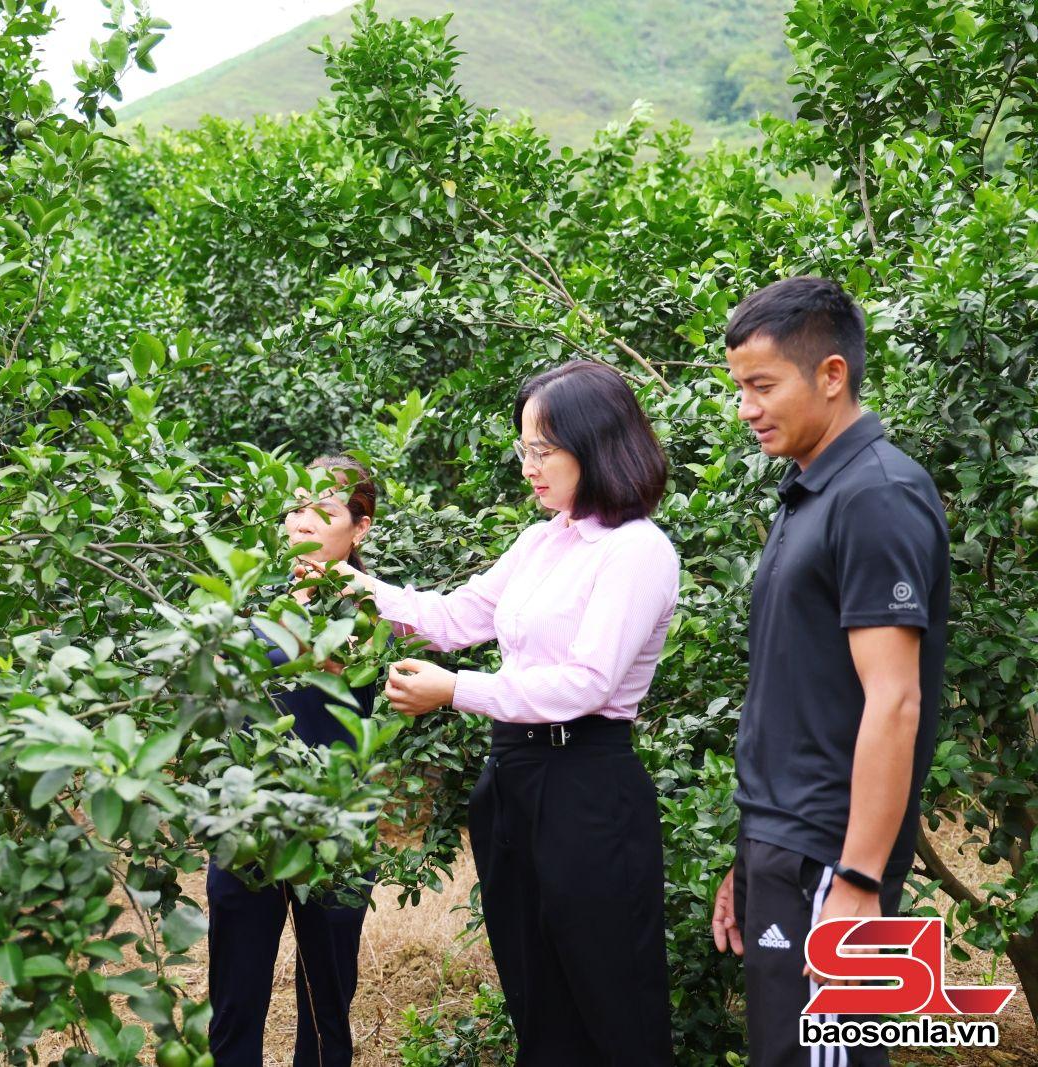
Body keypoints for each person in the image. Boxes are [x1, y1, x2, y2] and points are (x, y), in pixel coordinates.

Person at [305, 360, 679, 1065]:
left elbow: (586, 683)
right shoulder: (543, 540)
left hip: (586, 784)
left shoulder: (636, 551)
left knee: (612, 997)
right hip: (514, 777)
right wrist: (353, 584)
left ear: (597, 445)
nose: (529, 467)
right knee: (536, 999)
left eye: (543, 449)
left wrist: (455, 690)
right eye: (523, 449)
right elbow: (456, 617)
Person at [710, 276, 949, 1066]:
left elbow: (895, 699)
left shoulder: (877, 495)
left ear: (832, 374)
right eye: (740, 387)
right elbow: (799, 692)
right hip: (787, 844)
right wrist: (752, 851)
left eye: (762, 385)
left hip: (828, 856)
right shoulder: (812, 491)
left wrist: (858, 879)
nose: (746, 407)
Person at [207, 454, 379, 1067]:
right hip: (249, 817)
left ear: (359, 529)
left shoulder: (372, 612)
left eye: (323, 510)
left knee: (326, 1000)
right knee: (235, 996)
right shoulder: (249, 595)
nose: (302, 520)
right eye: (295, 506)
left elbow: (361, 670)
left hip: (334, 823)